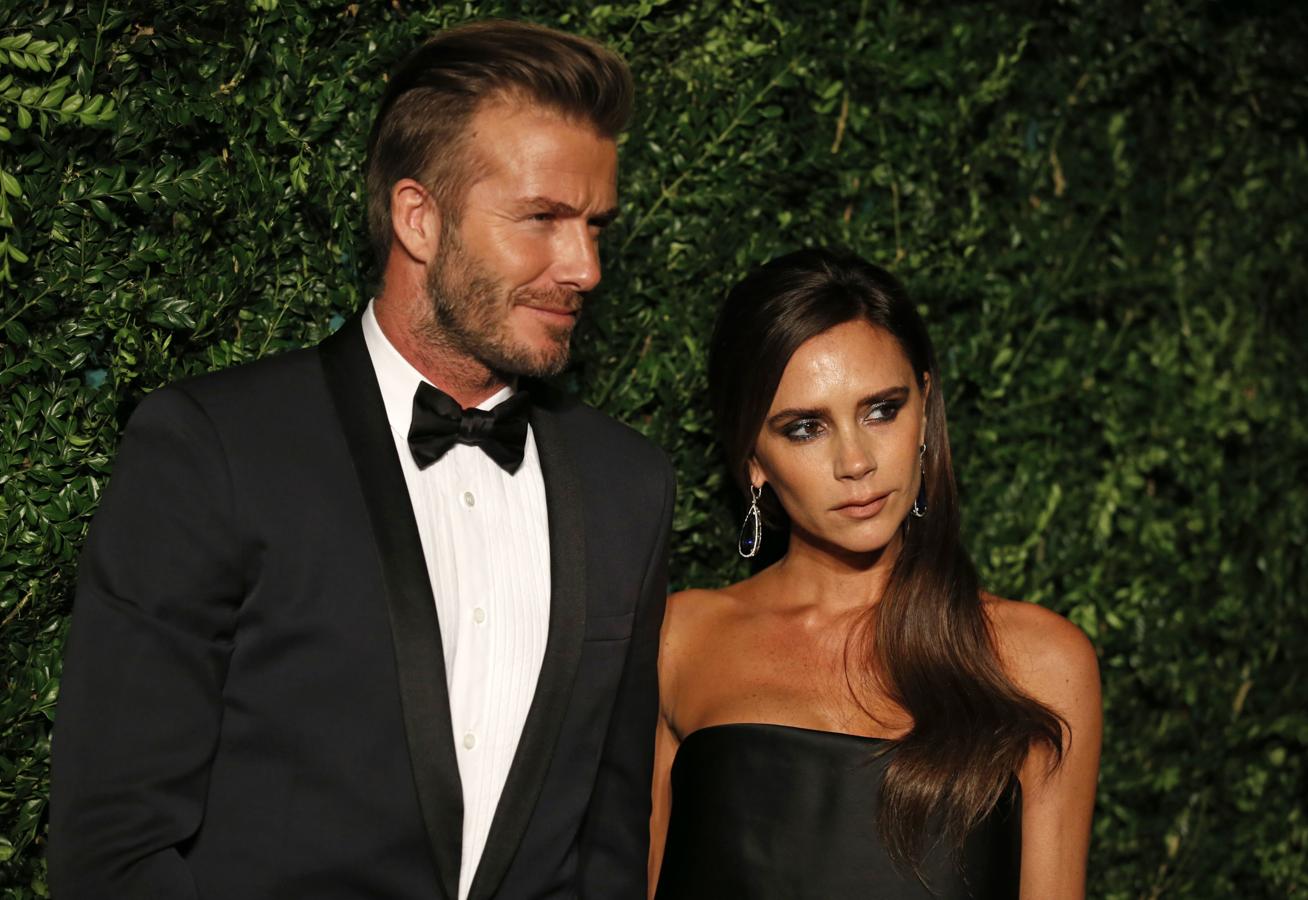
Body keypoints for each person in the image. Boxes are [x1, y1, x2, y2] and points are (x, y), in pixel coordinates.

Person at [49, 20, 673, 900]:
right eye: (543, 218)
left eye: (597, 225)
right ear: (419, 217)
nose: (585, 266)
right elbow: (113, 845)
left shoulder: (628, 488)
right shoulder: (214, 450)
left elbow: (607, 846)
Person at [649, 248, 1101, 899]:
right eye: (805, 428)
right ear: (753, 457)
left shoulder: (1041, 661)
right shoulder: (680, 640)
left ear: (924, 410)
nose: (855, 461)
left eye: (881, 410)